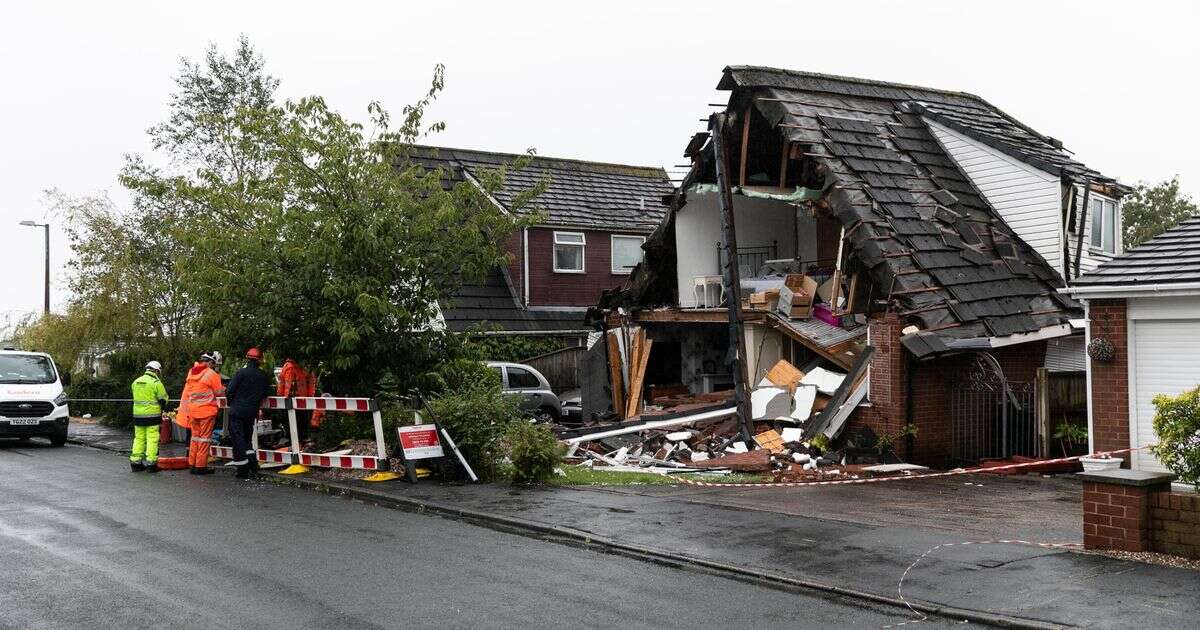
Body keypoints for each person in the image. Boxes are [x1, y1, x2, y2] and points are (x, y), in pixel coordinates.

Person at [225, 347, 271, 479]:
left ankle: (243, 469)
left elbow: (229, 391)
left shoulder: (241, 373)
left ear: (247, 358)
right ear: (260, 361)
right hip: (251, 412)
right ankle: (253, 465)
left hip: (237, 411)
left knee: (238, 440)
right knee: (247, 439)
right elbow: (265, 394)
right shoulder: (263, 376)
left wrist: (231, 403)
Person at [177, 351, 224, 475]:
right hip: (207, 412)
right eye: (214, 364)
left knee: (195, 438)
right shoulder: (211, 374)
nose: (214, 366)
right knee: (204, 440)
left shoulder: (191, 372)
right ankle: (201, 466)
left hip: (193, 411)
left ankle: (192, 464)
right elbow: (219, 392)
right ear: (210, 362)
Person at [129, 361, 170, 473]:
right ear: (156, 371)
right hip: (152, 417)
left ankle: (135, 463)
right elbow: (163, 399)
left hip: (138, 416)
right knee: (152, 439)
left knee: (139, 439)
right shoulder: (156, 383)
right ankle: (151, 464)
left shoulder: (136, 382)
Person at [277, 358, 319, 444]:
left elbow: (281, 382)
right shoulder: (294, 367)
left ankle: (296, 440)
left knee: (296, 421)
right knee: (296, 422)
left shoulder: (289, 367)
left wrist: (280, 395)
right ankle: (296, 440)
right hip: (296, 399)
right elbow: (282, 381)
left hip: (295, 399)